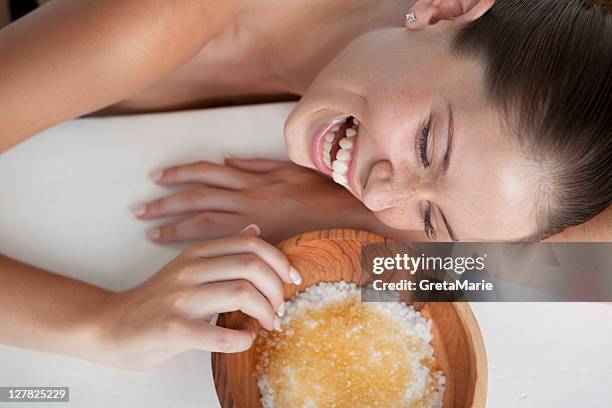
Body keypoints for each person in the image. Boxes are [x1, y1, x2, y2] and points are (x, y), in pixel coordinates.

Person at [0, 0, 610, 368]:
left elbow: (589, 272)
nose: (378, 194)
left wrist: (343, 225)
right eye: (427, 145)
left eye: (433, 222)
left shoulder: (454, 91)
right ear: (445, 10)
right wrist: (99, 324)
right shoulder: (169, 16)